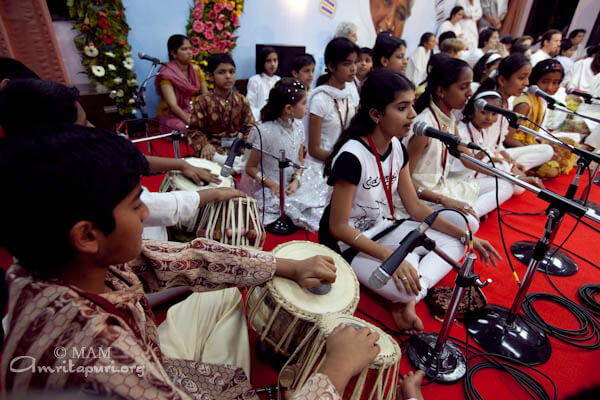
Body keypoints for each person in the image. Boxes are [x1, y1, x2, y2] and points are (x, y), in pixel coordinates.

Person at [0, 124, 384, 398]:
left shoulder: (58, 266)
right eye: (138, 205)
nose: (145, 216)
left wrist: (285, 266)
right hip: (144, 376)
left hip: (150, 359)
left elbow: (189, 259)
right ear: (86, 235)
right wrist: (335, 371)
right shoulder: (98, 353)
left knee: (226, 291)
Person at [320, 69, 500, 332]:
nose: (413, 116)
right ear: (376, 114)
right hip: (349, 245)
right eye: (402, 108)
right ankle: (409, 291)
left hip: (385, 228)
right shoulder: (352, 156)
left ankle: (411, 294)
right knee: (403, 284)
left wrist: (467, 236)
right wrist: (391, 257)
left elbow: (414, 206)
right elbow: (338, 228)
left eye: (412, 106)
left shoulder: (396, 147)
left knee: (465, 229)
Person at [0, 79, 233, 243]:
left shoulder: (31, 160)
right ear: (57, 136)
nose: (93, 129)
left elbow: (135, 162)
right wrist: (212, 195)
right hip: (131, 258)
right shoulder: (74, 176)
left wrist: (182, 164)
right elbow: (146, 208)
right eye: (83, 124)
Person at [406, 55, 481, 232]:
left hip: (441, 188)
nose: (470, 93)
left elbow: (468, 159)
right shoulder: (424, 127)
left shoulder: (449, 118)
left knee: (499, 184)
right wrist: (444, 200)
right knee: (471, 224)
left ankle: (462, 215)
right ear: (441, 91)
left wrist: (507, 174)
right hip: (421, 199)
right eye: (463, 87)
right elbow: (404, 184)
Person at [242, 78, 328, 231]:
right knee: (284, 206)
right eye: (304, 103)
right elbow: (250, 168)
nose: (307, 107)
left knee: (319, 203)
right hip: (270, 186)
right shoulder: (264, 132)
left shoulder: (298, 127)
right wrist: (272, 184)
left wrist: (296, 180)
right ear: (289, 108)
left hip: (291, 184)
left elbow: (300, 160)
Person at [456, 89, 538, 215]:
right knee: (507, 185)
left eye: (494, 115)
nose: (489, 118)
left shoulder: (482, 130)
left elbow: (491, 151)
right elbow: (460, 167)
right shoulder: (461, 132)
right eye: (484, 112)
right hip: (458, 181)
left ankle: (473, 210)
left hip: (475, 175)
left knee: (510, 182)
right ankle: (469, 215)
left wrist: (509, 164)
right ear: (472, 110)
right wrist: (515, 175)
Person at [478, 53, 554, 175]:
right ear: (502, 80)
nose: (526, 83)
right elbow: (483, 147)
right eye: (521, 78)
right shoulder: (491, 104)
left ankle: (514, 171)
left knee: (547, 150)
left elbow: (498, 144)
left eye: (528, 78)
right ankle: (512, 173)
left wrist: (511, 161)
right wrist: (508, 165)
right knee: (515, 186)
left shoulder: (507, 101)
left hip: (497, 152)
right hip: (482, 156)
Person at [513, 59, 577, 178]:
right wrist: (535, 149)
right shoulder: (525, 104)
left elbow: (537, 134)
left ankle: (531, 166)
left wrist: (541, 145)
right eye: (545, 81)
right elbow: (509, 139)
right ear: (534, 80)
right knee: (550, 163)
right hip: (515, 147)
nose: (550, 87)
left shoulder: (541, 101)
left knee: (570, 143)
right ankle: (519, 169)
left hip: (532, 145)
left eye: (556, 82)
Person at [187, 54, 255, 165]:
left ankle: (235, 164)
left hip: (237, 146)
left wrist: (248, 141)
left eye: (231, 72)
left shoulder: (241, 100)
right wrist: (205, 145)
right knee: (210, 158)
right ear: (210, 76)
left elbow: (250, 127)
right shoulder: (203, 101)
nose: (228, 76)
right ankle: (229, 164)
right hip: (213, 148)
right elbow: (194, 130)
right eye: (221, 72)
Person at [308, 38, 359, 164]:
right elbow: (314, 149)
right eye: (347, 64)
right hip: (322, 167)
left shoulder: (351, 92)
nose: (353, 68)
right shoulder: (320, 99)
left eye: (355, 62)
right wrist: (340, 161)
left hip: (346, 159)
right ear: (331, 66)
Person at [155, 34, 208, 133]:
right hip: (172, 115)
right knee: (182, 127)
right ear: (173, 53)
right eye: (184, 49)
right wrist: (190, 122)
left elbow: (206, 96)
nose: (189, 52)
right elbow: (173, 106)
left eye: (190, 49)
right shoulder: (166, 73)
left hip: (194, 111)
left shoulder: (196, 69)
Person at [247, 46, 281, 121]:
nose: (273, 64)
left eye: (275, 60)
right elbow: (250, 105)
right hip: (260, 119)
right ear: (262, 62)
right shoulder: (255, 80)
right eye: (268, 61)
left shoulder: (279, 80)